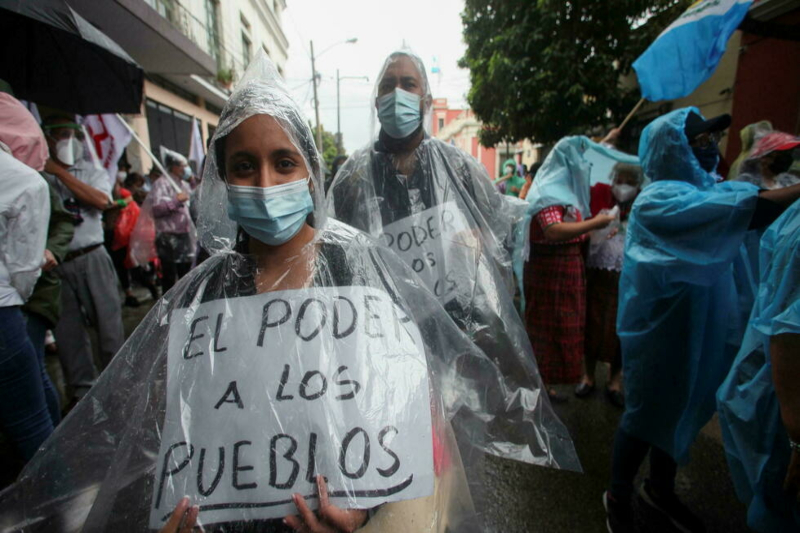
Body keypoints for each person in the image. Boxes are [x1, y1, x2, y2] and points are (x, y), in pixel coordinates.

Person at [0, 51, 578, 532]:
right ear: (221, 181)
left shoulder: (355, 268)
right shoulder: (201, 295)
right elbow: (175, 431)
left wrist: (362, 508)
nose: (266, 183)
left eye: (284, 162)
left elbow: (398, 406)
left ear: (310, 175)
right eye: (245, 166)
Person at [327, 51, 563, 416]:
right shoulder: (353, 178)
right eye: (388, 86)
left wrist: (475, 243)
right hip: (383, 336)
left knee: (452, 445)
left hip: (455, 334)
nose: (397, 94)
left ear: (426, 99)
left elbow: (496, 231)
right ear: (376, 103)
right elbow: (338, 259)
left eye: (408, 84)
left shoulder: (457, 166)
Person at [604, 108, 800, 533]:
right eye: (700, 140)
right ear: (672, 147)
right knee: (644, 416)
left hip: (698, 328)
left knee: (682, 406)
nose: (711, 147)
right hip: (660, 334)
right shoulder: (659, 200)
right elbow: (751, 212)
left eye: (712, 139)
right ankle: (617, 493)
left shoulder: (710, 188)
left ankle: (660, 488)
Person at [717, 197, 800, 532]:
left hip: (775, 394)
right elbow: (789, 333)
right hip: (784, 405)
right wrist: (799, 437)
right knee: (780, 505)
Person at [522, 136, 617, 401]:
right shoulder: (549, 190)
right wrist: (594, 224)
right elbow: (553, 230)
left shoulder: (565, 190)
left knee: (559, 326)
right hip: (550, 269)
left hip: (565, 266)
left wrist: (597, 232)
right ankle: (538, 387)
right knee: (547, 329)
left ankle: (545, 385)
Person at [41, 115, 125, 406]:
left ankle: (117, 387)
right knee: (67, 333)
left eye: (74, 135)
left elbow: (102, 201)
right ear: (48, 139)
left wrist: (61, 173)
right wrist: (47, 172)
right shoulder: (38, 175)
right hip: (56, 263)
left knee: (108, 327)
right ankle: (81, 394)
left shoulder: (90, 171)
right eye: (62, 134)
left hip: (92, 256)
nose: (69, 141)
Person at [0, 94, 53, 463]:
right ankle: (58, 506)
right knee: (32, 425)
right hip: (5, 314)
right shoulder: (23, 180)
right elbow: (23, 268)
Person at [575, 162, 643, 407]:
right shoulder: (599, 199)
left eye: (629, 181)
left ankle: (615, 381)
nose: (623, 186)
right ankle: (588, 376)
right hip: (598, 273)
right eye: (620, 179)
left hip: (628, 276)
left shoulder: (643, 206)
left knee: (622, 327)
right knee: (591, 323)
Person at [147, 148, 196, 293]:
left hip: (184, 235)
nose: (186, 169)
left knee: (186, 274)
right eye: (183, 165)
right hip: (168, 237)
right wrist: (175, 202)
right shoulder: (161, 184)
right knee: (169, 275)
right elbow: (155, 210)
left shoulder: (183, 184)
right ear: (174, 166)